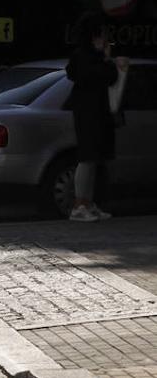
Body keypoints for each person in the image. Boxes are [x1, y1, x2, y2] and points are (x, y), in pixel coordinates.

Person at [67, 14, 126, 222]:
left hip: (95, 113)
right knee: (87, 158)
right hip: (89, 113)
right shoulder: (87, 58)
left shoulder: (86, 57)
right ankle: (79, 205)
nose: (105, 41)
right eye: (102, 36)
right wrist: (109, 62)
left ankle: (88, 203)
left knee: (93, 160)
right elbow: (106, 76)